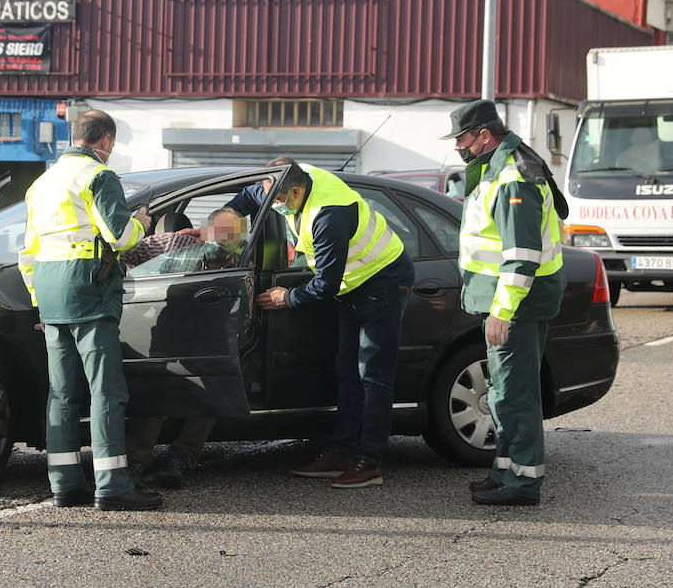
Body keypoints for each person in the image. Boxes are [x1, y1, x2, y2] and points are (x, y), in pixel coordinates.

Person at [18, 110, 162, 512]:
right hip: (88, 289)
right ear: (107, 142)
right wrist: (142, 223)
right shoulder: (98, 177)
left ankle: (64, 484)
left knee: (62, 393)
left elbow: (27, 254)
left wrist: (39, 302)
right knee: (106, 392)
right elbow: (120, 236)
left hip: (49, 292)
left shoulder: (41, 184)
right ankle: (112, 485)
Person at [254, 160, 415, 489]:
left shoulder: (329, 214)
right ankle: (341, 451)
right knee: (346, 370)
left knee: (373, 376)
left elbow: (325, 285)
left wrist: (288, 297)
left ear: (296, 191)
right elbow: (251, 193)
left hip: (382, 283)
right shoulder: (294, 175)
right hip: (352, 287)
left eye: (281, 202)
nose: (278, 208)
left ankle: (370, 462)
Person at [445, 99, 567, 507]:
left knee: (515, 394)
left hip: (517, 305)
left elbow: (522, 253)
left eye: (462, 138)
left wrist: (503, 310)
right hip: (506, 301)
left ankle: (522, 483)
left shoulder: (514, 176)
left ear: (484, 134)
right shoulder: (497, 167)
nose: (458, 147)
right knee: (502, 392)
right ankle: (505, 472)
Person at [123, 208, 248, 487]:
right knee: (154, 390)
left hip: (209, 336)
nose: (227, 242)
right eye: (222, 234)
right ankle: (136, 461)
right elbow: (126, 252)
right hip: (166, 330)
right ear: (204, 231)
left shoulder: (240, 262)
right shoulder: (173, 244)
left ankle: (179, 459)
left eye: (234, 237)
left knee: (214, 389)